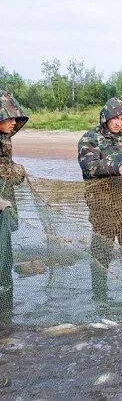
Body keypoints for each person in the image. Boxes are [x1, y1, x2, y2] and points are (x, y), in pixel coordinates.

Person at [78, 97, 122, 300]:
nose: (118, 123)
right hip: (102, 204)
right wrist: (118, 167)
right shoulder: (89, 139)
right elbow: (89, 167)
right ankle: (99, 295)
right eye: (114, 118)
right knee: (102, 251)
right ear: (105, 118)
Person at [0, 91, 28, 316]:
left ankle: (6, 316)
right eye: (8, 117)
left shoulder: (4, 141)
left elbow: (11, 175)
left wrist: (16, 171)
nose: (13, 122)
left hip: (4, 214)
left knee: (4, 265)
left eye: (15, 118)